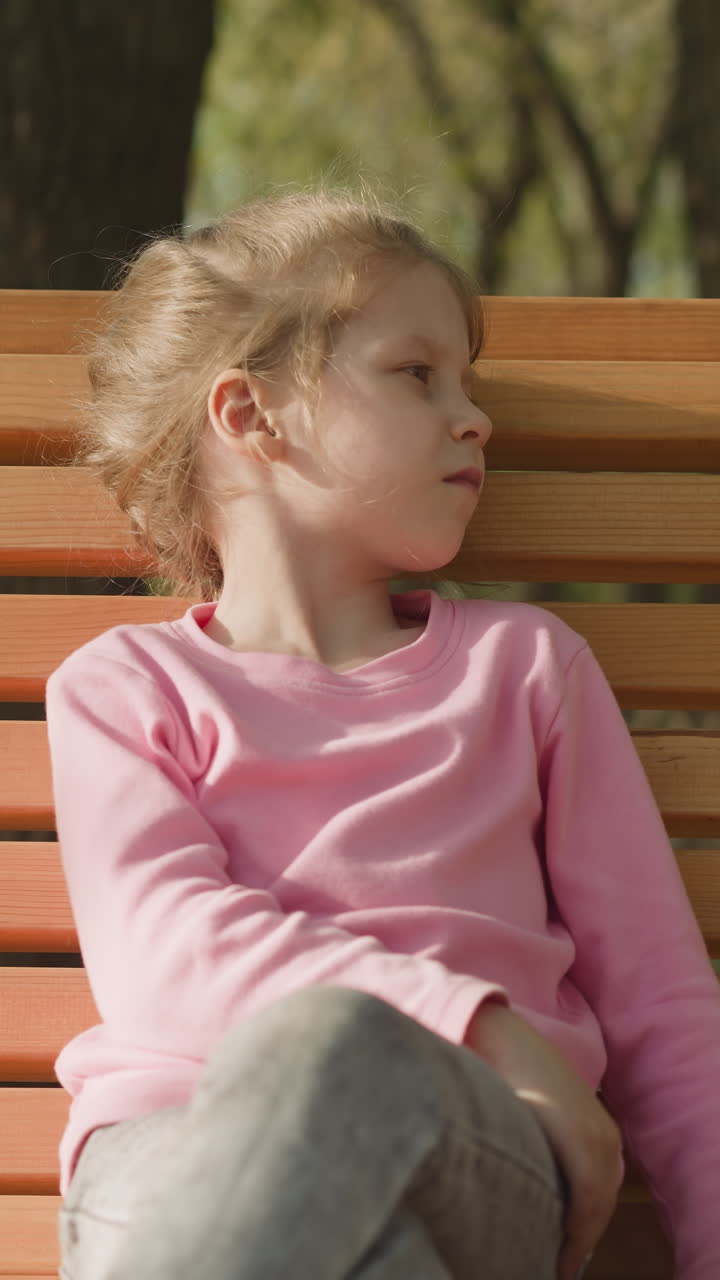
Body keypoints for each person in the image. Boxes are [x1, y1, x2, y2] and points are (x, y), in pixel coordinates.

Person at [45, 186, 720, 1280]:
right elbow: (164, 950)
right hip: (167, 1160)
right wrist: (490, 1027)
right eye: (417, 373)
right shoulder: (124, 688)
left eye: (471, 381)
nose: (474, 416)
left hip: (474, 1147)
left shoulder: (524, 669)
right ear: (249, 414)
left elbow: (660, 1002)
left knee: (342, 1052)